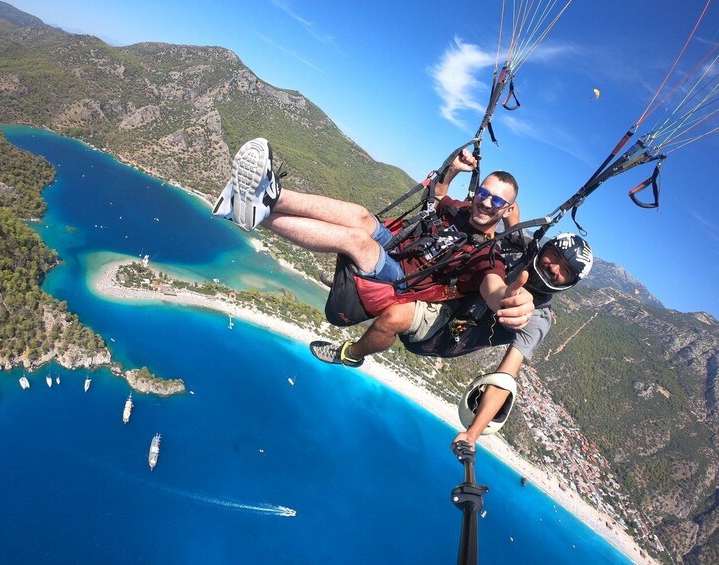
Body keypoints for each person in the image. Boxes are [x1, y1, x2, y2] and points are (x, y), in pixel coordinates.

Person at [212, 138, 535, 366]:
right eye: (483, 193)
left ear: (507, 210)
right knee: (361, 215)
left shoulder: (487, 255)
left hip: (400, 281)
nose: (485, 202)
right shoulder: (461, 211)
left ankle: (260, 216)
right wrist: (451, 170)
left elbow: (492, 288)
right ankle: (271, 194)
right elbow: (437, 197)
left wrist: (508, 301)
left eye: (497, 201)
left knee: (358, 241)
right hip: (396, 246)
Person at [451, 232, 594, 448]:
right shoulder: (517, 250)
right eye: (554, 256)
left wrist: (472, 434)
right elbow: (510, 217)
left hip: (446, 334)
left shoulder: (538, 318)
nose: (554, 268)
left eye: (565, 270)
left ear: (570, 283)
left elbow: (505, 377)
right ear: (543, 249)